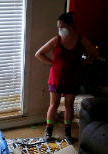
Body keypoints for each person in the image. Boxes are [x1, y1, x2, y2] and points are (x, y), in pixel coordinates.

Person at [35, 12, 99, 140]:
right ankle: (48, 134)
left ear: (71, 26)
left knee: (69, 105)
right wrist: (53, 64)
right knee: (54, 105)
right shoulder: (56, 40)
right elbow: (39, 54)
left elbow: (94, 53)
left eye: (62, 27)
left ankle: (68, 134)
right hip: (56, 77)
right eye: (58, 27)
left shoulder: (81, 39)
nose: (60, 30)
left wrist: (83, 63)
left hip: (73, 77)